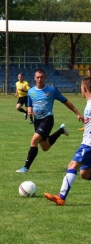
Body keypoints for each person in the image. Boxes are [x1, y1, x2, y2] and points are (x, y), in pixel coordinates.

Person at [16, 69, 83, 173]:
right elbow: (29, 104)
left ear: (45, 78)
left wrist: (77, 113)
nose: (39, 79)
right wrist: (29, 111)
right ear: (34, 78)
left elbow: (65, 101)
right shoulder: (31, 91)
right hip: (37, 121)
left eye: (41, 77)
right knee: (45, 147)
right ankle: (61, 130)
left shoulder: (52, 90)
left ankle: (26, 167)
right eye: (37, 77)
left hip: (47, 120)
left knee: (34, 141)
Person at [44, 77, 91, 206]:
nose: (80, 90)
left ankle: (61, 197)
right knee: (85, 174)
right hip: (88, 143)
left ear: (84, 88)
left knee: (72, 166)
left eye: (81, 88)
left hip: (88, 145)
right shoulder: (89, 103)